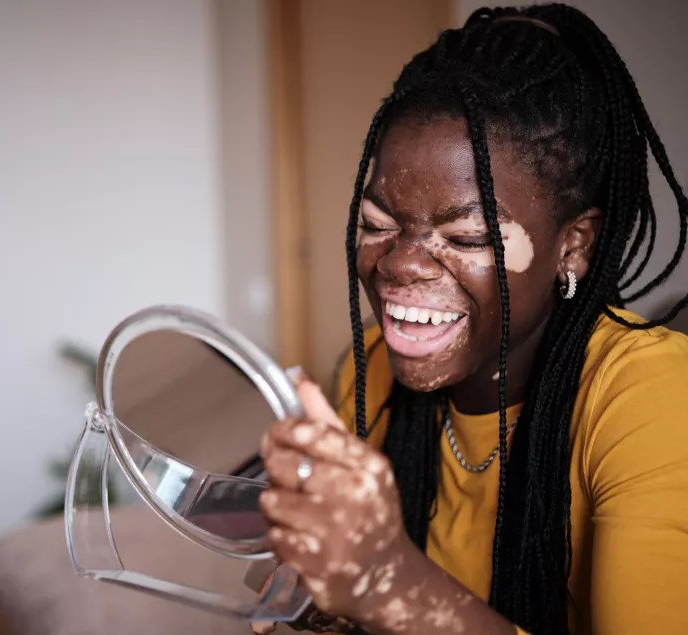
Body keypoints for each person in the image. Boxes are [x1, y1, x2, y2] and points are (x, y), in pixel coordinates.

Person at [253, 4, 688, 635]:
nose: (400, 265)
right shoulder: (365, 375)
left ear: (574, 244)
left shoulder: (651, 398)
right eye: (377, 225)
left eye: (465, 235)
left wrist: (387, 581)